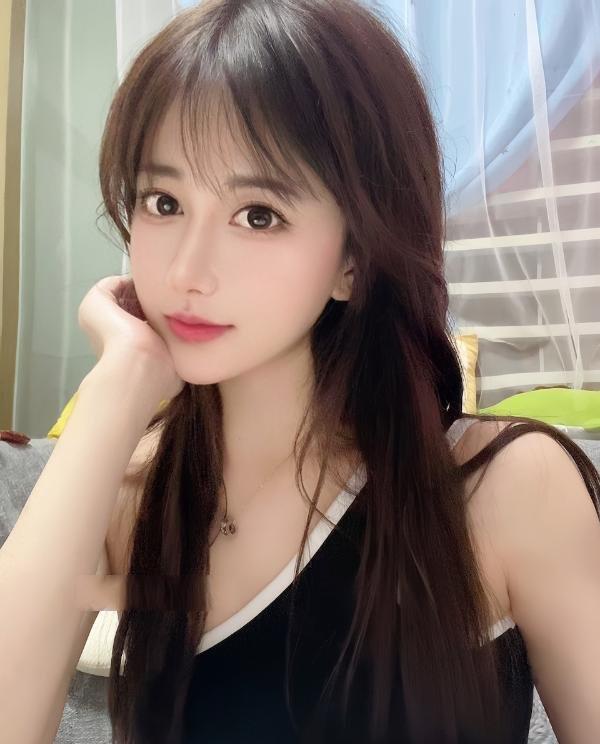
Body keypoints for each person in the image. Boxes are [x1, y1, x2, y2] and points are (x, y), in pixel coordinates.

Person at [1, 1, 600, 742]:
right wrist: (114, 390)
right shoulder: (131, 491)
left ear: (355, 258)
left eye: (258, 215)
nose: (187, 271)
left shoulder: (501, 489)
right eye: (164, 202)